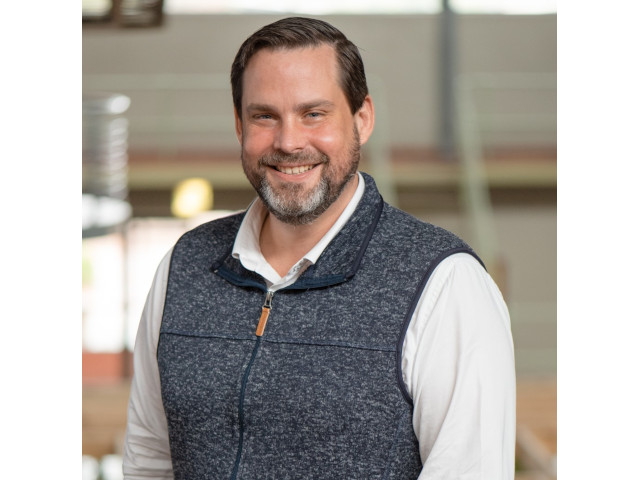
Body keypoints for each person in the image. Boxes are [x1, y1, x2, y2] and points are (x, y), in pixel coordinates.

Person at [123, 17, 515, 480]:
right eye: (264, 116)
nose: (289, 142)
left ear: (362, 119)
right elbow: (149, 461)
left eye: (313, 114)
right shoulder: (185, 265)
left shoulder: (445, 283)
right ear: (239, 126)